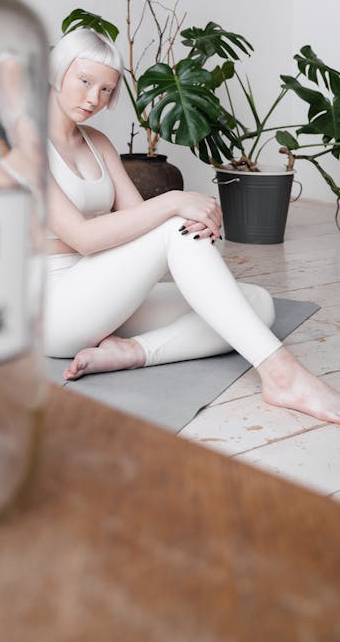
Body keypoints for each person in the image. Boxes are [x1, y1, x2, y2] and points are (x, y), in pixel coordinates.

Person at [45, 27, 340, 425]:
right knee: (173, 224)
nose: (93, 99)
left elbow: (138, 220)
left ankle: (134, 352)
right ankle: (282, 375)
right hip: (51, 311)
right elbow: (82, 238)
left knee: (256, 303)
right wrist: (173, 205)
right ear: (57, 71)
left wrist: (192, 226)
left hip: (100, 296)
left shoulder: (97, 142)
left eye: (105, 90)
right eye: (84, 81)